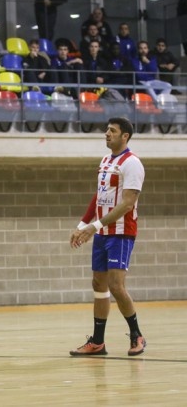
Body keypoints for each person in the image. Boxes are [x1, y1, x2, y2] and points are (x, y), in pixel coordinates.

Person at [69, 117, 146, 358]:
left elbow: (127, 203)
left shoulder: (132, 164)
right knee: (98, 284)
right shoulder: (105, 161)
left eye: (112, 131)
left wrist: (95, 226)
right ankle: (98, 342)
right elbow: (99, 196)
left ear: (125, 136)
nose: (106, 134)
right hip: (101, 232)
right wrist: (83, 224)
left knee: (115, 285)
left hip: (121, 232)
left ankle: (137, 335)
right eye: (106, 130)